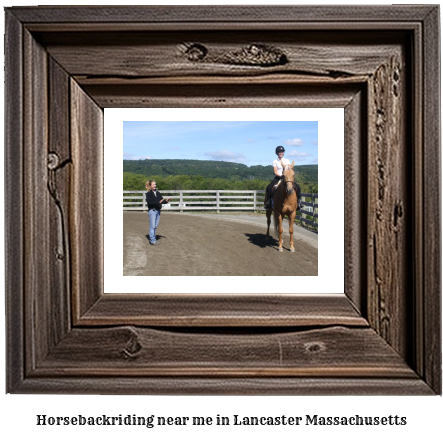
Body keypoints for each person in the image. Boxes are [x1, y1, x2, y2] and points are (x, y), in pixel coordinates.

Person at [264, 146, 302, 211]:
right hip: (278, 177)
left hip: (287, 178)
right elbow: (275, 172)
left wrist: (287, 176)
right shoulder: (275, 161)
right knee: (269, 187)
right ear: (277, 153)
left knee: (298, 187)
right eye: (279, 152)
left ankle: (298, 203)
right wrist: (281, 176)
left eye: (282, 152)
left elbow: (289, 169)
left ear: (283, 152)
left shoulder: (287, 160)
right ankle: (268, 203)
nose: (281, 153)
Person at [145, 180, 171, 245]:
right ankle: (152, 240)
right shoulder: (148, 194)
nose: (155, 186)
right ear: (150, 186)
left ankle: (153, 239)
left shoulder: (158, 193)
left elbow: (161, 201)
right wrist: (158, 202)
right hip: (152, 211)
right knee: (152, 226)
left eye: (155, 184)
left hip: (158, 210)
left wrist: (166, 201)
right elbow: (150, 203)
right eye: (153, 185)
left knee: (155, 226)